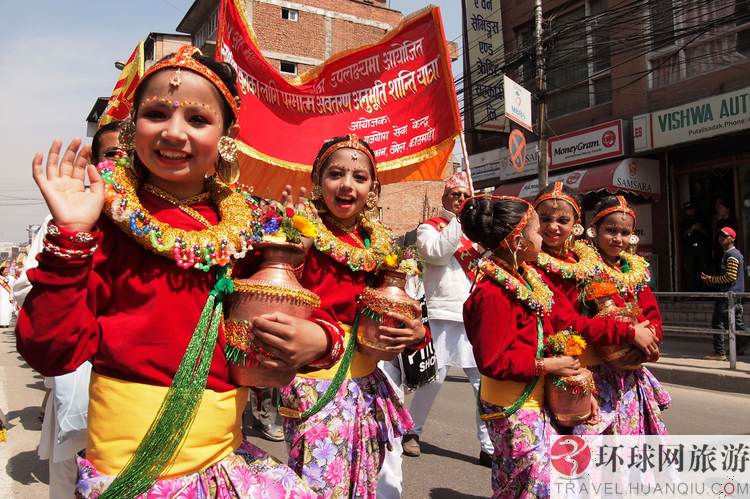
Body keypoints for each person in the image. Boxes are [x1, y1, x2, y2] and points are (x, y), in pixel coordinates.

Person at [15, 46, 323, 497]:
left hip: (224, 465)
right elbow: (51, 352)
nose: (174, 133)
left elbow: (304, 322)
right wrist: (71, 236)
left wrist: (319, 343)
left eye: (198, 120)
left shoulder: (251, 228)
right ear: (131, 125)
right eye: (157, 113)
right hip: (130, 473)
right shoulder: (105, 220)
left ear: (227, 135)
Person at [275, 134, 424, 498]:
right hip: (316, 382)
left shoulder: (381, 244)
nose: (347, 185)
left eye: (359, 178)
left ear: (373, 188)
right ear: (317, 181)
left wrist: (414, 332)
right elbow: (276, 302)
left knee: (364, 482)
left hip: (368, 384)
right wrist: (289, 252)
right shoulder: (300, 230)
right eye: (336, 174)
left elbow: (397, 311)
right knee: (321, 486)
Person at [13, 121, 124, 499]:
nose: (120, 162)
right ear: (94, 162)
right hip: (79, 377)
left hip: (149, 406)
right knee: (71, 480)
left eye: (129, 153)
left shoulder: (175, 230)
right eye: (111, 154)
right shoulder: (68, 216)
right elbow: (26, 289)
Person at [459, 195, 585, 498]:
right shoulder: (492, 293)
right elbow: (493, 361)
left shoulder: (526, 278)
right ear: (517, 240)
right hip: (511, 404)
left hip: (536, 400)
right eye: (538, 231)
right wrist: (548, 365)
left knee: (526, 485)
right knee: (535, 486)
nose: (544, 236)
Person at [531, 182, 660, 433]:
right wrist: (630, 334)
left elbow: (649, 310)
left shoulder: (582, 262)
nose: (553, 226)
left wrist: (650, 339)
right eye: (545, 218)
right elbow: (567, 321)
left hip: (619, 367)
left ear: (575, 224)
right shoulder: (532, 263)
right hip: (569, 369)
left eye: (562, 219)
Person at [401, 171, 494, 466]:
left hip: (473, 315)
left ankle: (489, 446)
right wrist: (460, 221)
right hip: (441, 312)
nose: (461, 200)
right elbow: (437, 253)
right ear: (444, 198)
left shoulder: (475, 231)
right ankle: (411, 432)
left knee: (483, 384)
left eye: (466, 196)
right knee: (434, 379)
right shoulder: (429, 227)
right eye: (456, 195)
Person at [581, 195, 670, 435]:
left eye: (624, 232)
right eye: (610, 230)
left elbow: (653, 315)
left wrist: (651, 338)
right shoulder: (582, 267)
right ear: (594, 230)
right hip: (595, 371)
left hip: (631, 372)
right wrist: (631, 334)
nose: (617, 239)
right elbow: (578, 322)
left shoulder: (636, 271)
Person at [701, 227, 750, 360]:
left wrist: (711, 279)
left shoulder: (732, 255)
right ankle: (739, 347)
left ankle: (720, 353)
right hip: (733, 294)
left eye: (725, 236)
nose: (721, 238)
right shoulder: (730, 254)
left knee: (718, 322)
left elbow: (730, 277)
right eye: (720, 236)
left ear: (732, 238)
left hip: (729, 294)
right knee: (735, 323)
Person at [678, 201, 709, 291]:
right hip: (689, 248)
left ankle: (704, 292)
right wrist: (689, 231)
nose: (690, 211)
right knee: (690, 271)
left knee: (703, 270)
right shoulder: (684, 222)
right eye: (688, 210)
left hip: (701, 247)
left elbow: (709, 234)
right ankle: (692, 292)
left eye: (691, 209)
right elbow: (681, 236)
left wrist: (700, 229)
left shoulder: (701, 220)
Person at [0, 263, 13, 327]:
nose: (7, 272)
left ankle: (6, 323)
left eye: (7, 271)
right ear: (1, 271)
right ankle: (1, 323)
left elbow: (14, 285)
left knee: (8, 309)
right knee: (1, 309)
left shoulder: (11, 278)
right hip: (1, 296)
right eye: (5, 271)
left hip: (8, 296)